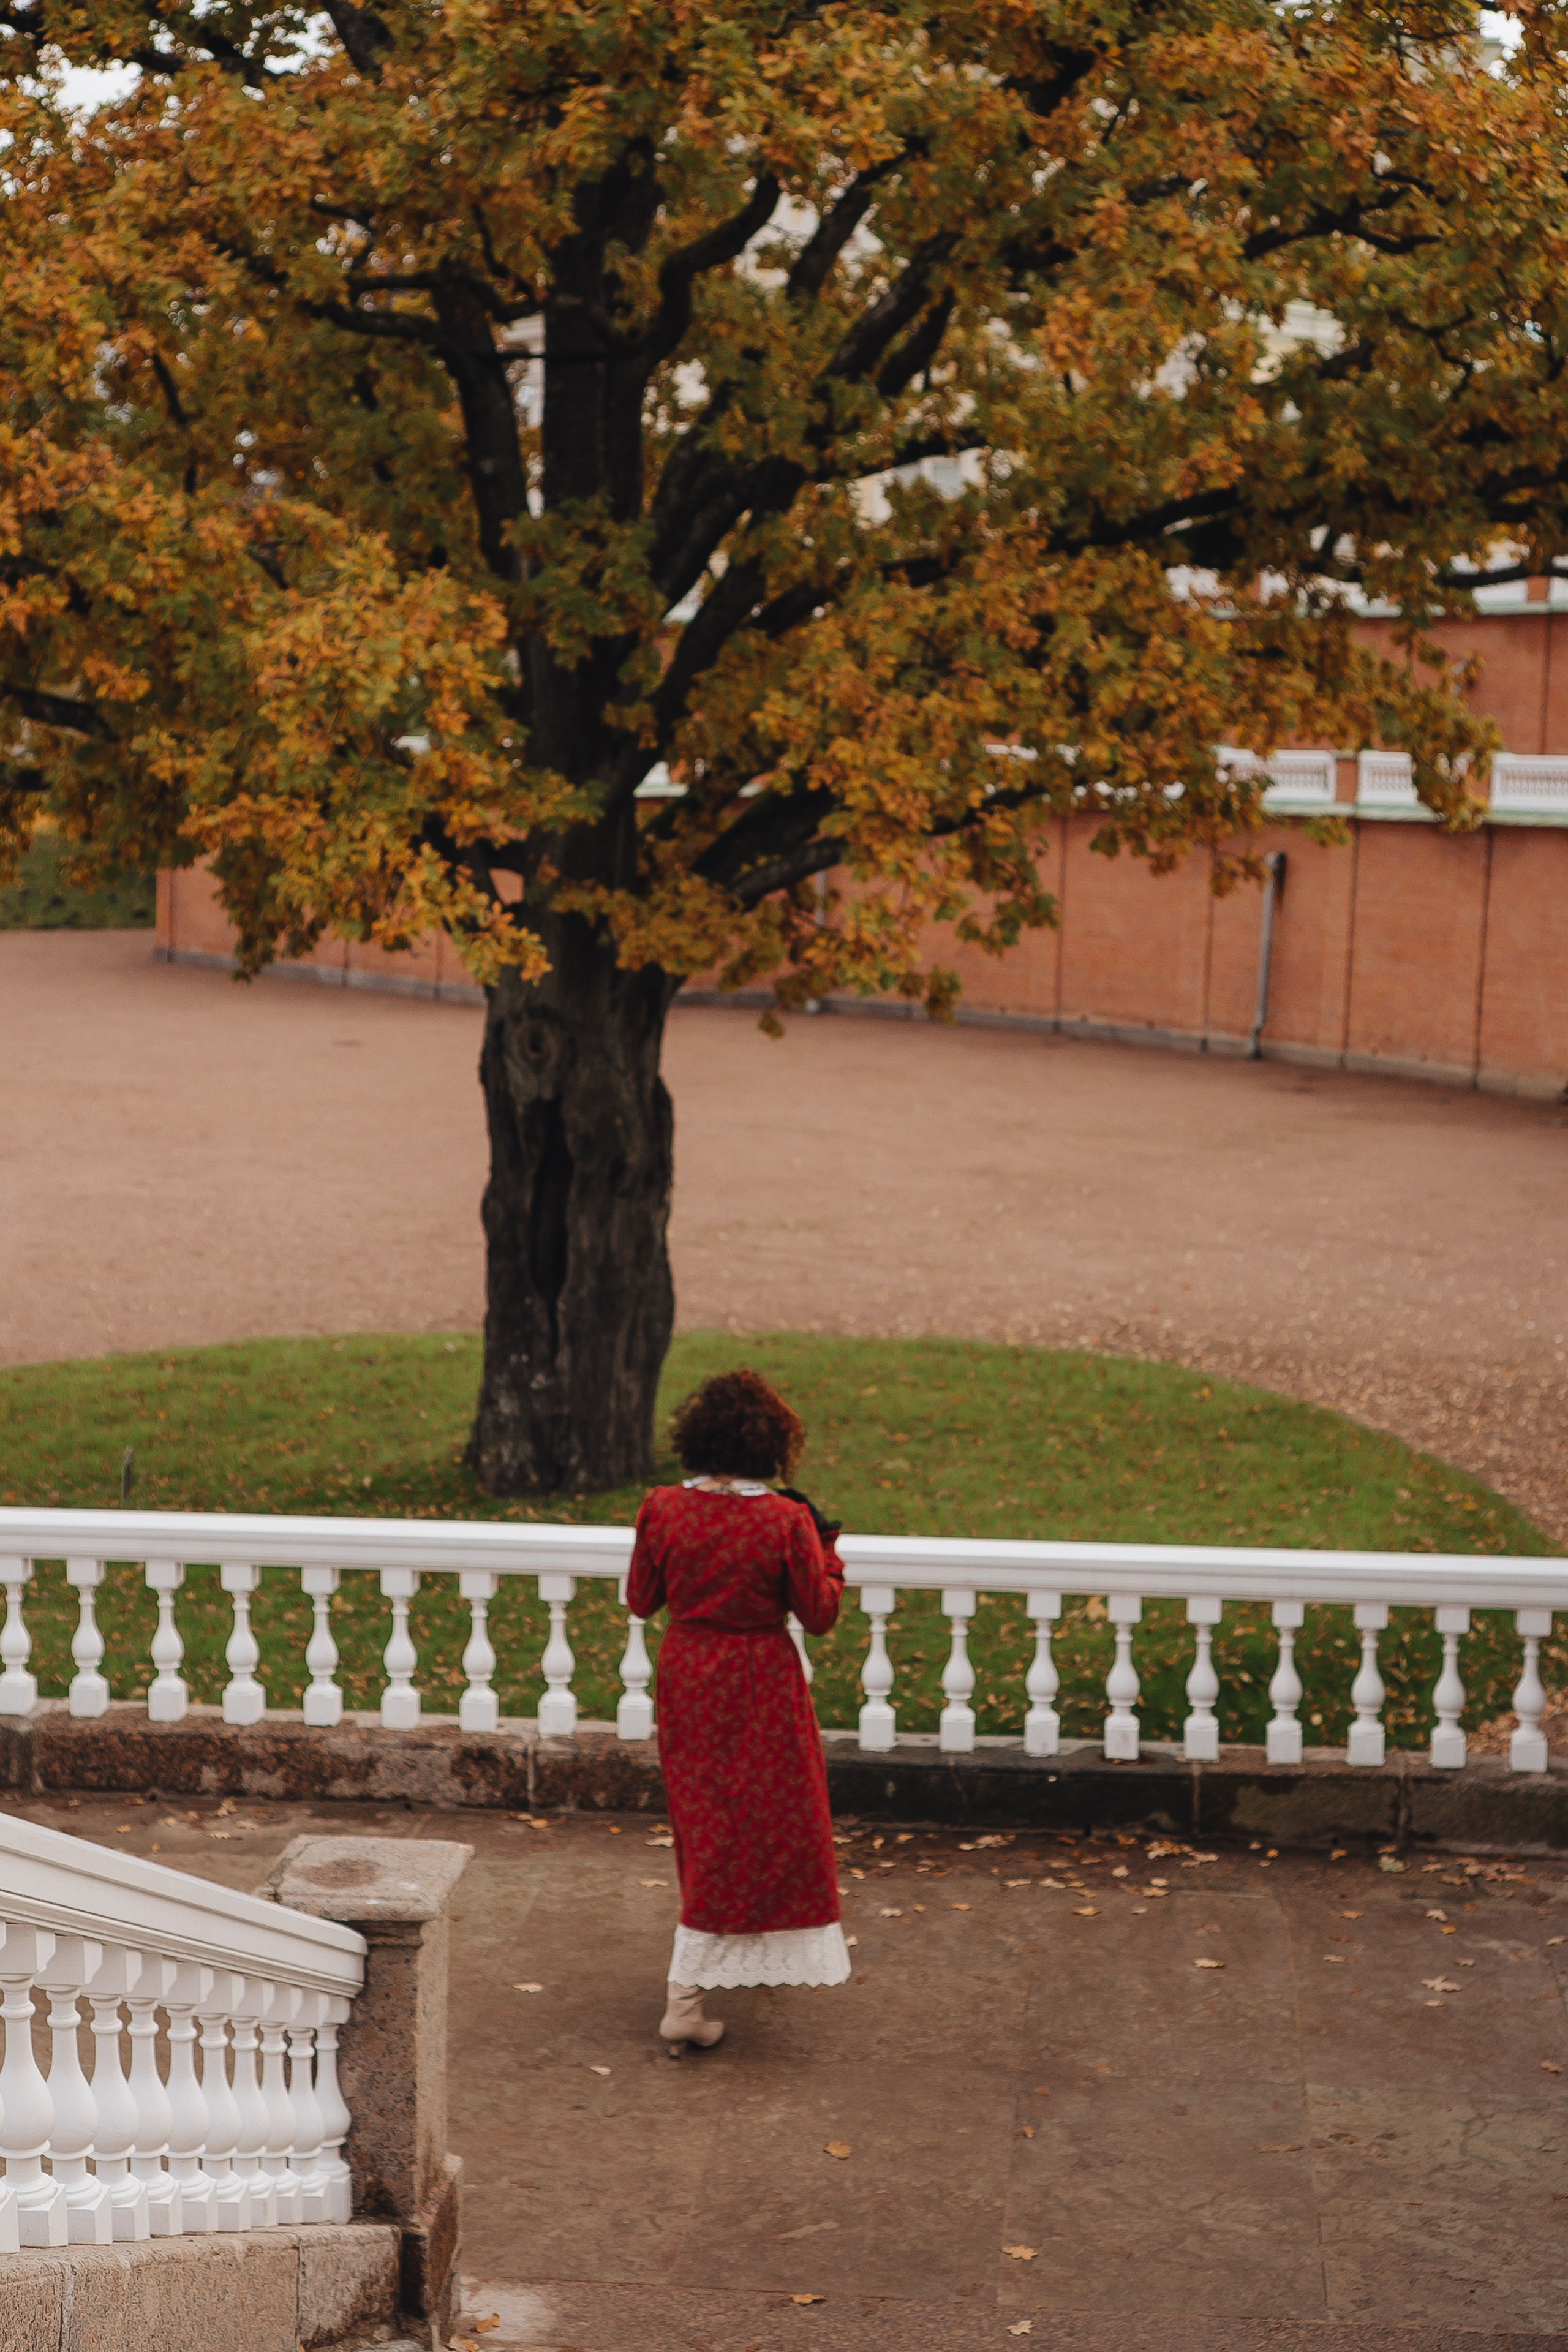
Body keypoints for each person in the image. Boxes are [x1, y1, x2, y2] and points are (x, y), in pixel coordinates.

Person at [626, 1366, 851, 2053]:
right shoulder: (784, 1519)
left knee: (707, 1821)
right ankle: (687, 1997)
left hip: (690, 1673)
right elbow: (818, 1615)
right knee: (777, 1819)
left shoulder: (663, 1507)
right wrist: (830, 1556)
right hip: (761, 1678)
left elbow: (642, 1599)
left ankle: (704, 1983)